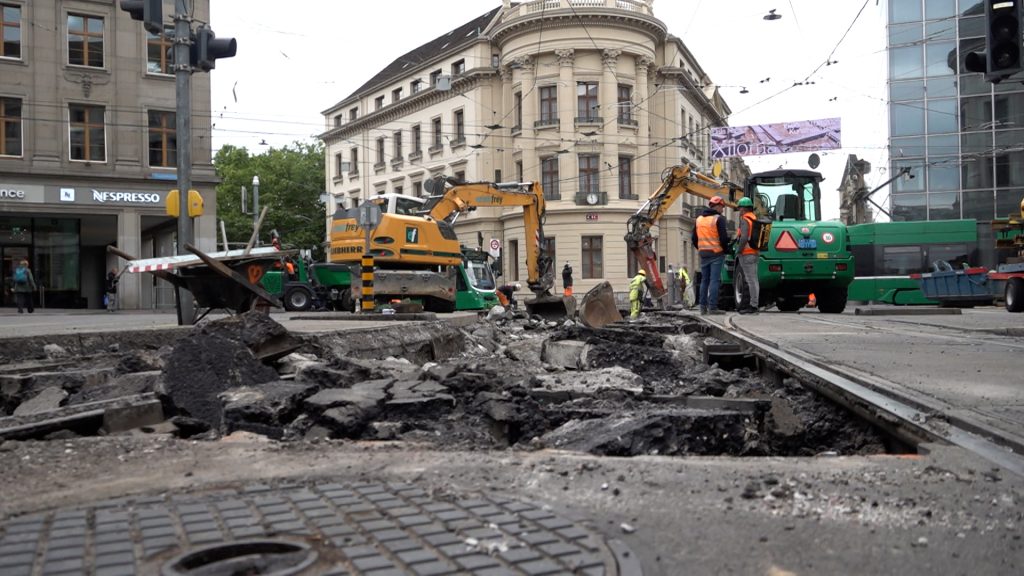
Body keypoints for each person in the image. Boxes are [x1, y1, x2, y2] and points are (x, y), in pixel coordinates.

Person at [690, 196, 730, 315]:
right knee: (714, 280)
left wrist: (701, 248)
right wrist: (726, 250)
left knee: (704, 280)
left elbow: (694, 238)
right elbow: (723, 238)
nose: (722, 210)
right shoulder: (718, 219)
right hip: (716, 253)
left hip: (704, 253)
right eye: (722, 207)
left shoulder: (699, 219)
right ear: (717, 206)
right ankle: (712, 307)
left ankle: (702, 307)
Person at [734, 197, 760, 315]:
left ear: (744, 209)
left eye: (740, 208)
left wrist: (739, 250)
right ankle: (754, 304)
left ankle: (753, 306)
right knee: (754, 280)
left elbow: (744, 237)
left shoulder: (745, 219)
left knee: (750, 280)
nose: (739, 210)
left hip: (746, 253)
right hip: (754, 252)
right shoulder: (754, 218)